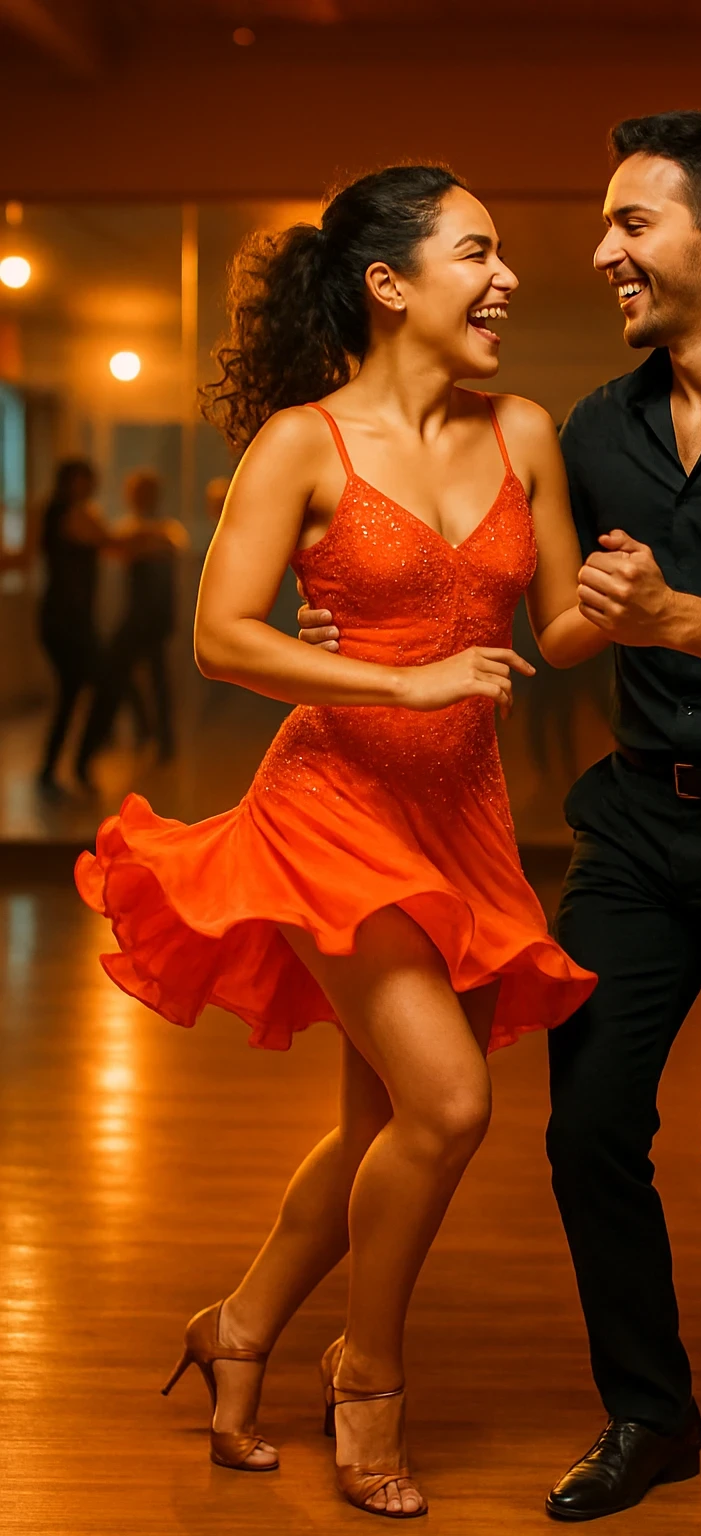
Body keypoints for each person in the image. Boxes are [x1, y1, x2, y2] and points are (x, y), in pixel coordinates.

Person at [301, 110, 701, 1523]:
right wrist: (351, 605)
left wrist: (677, 616)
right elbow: (512, 584)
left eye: (628, 224)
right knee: (587, 1133)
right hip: (636, 828)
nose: (599, 256)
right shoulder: (594, 426)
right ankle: (651, 1416)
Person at [75, 165, 604, 1520]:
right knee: (448, 1105)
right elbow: (221, 635)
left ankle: (238, 1326)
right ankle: (367, 1374)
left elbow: (558, 632)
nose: (506, 279)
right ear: (389, 284)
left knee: (383, 1122)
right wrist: (400, 681)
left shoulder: (526, 431)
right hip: (335, 808)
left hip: (463, 821)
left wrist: (635, 596)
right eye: (476, 254)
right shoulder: (304, 444)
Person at [75, 468, 189, 783]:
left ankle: (156, 738)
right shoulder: (146, 529)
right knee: (127, 677)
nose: (139, 498)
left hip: (152, 621)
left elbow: (155, 550)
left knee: (149, 679)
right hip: (140, 618)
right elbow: (122, 551)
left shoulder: (167, 530)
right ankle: (147, 734)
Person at [36, 458, 102, 792]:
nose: (89, 485)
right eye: (83, 479)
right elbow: (106, 540)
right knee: (89, 687)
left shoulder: (71, 512)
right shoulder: (62, 512)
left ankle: (57, 769)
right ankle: (71, 766)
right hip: (63, 621)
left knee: (74, 692)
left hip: (73, 620)